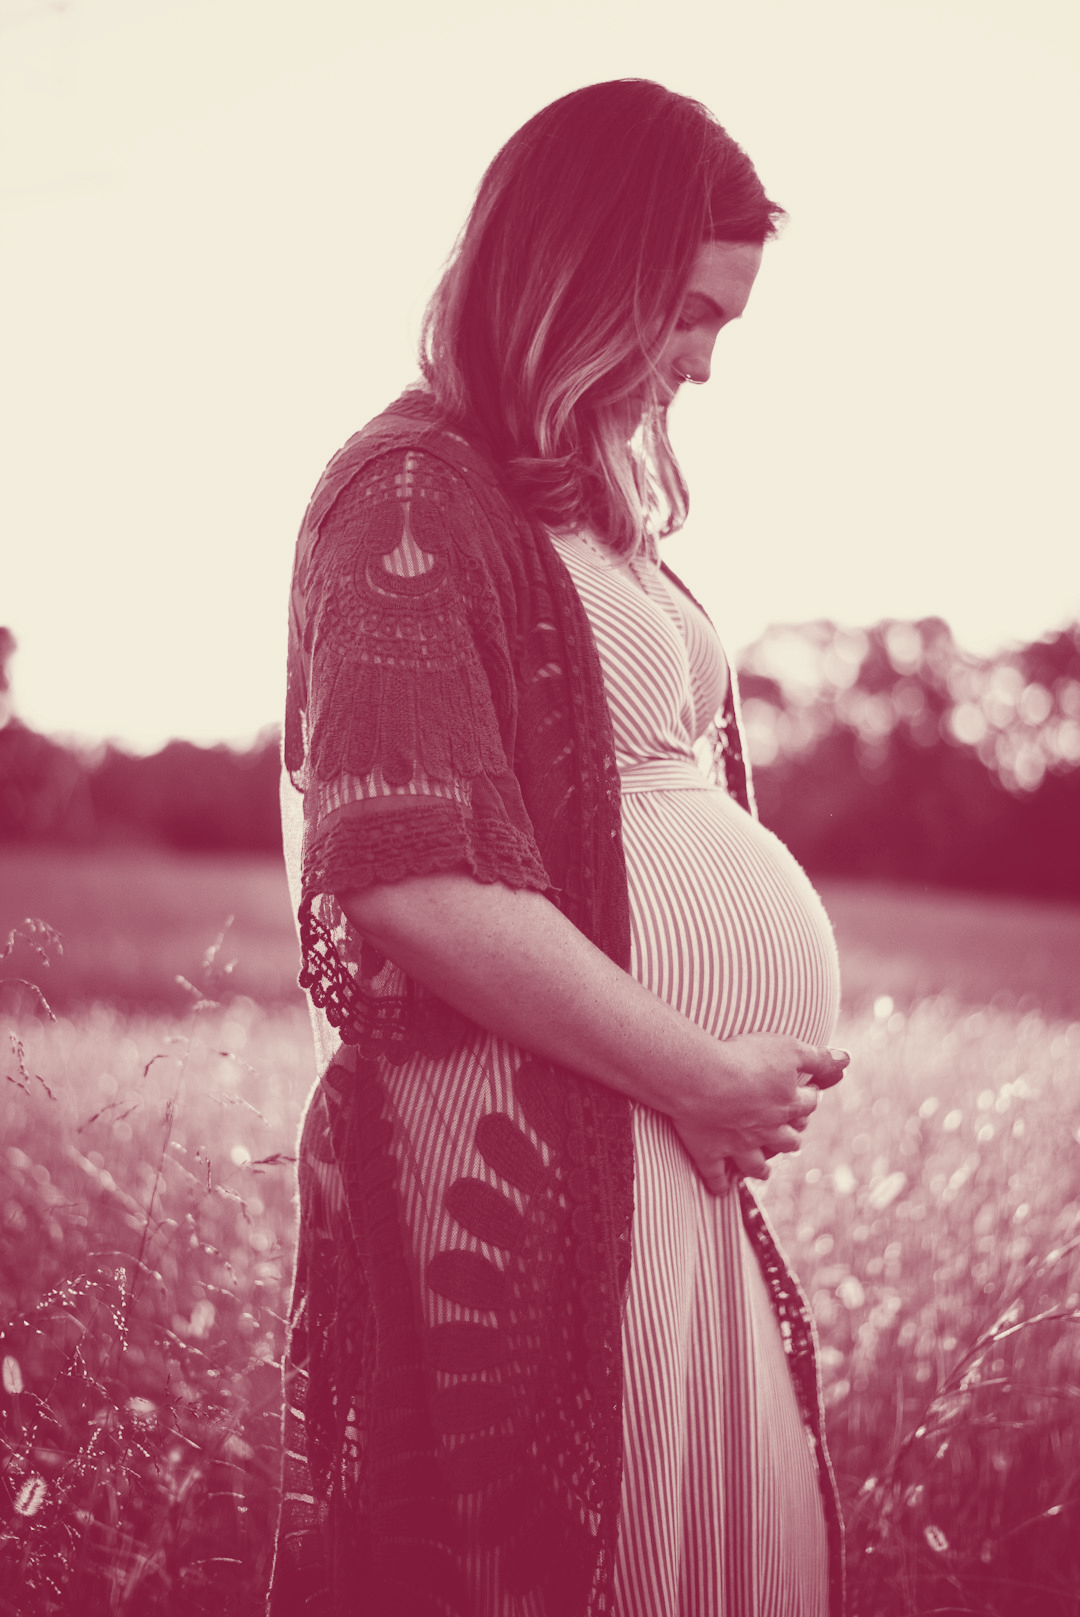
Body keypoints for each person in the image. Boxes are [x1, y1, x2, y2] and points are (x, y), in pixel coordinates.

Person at [270, 78, 848, 1617]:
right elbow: (404, 878)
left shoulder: (581, 501)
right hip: (541, 1150)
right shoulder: (409, 495)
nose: (708, 367)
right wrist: (691, 1069)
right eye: (693, 315)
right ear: (587, 272)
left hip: (657, 1141)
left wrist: (706, 1085)